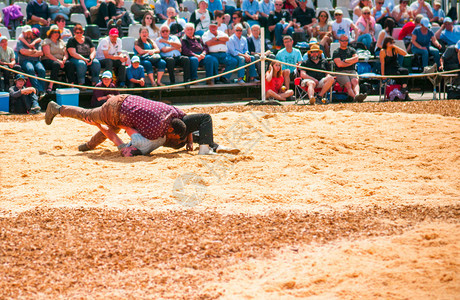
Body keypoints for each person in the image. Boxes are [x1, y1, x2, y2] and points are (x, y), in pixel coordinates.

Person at [45, 95, 186, 156]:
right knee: (86, 114)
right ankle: (57, 109)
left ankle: (89, 145)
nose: (124, 152)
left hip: (126, 99)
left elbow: (185, 116)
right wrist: (97, 124)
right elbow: (125, 129)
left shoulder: (171, 112)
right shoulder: (146, 140)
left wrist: (190, 138)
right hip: (116, 112)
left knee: (113, 126)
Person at [332, 34, 367, 102]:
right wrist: (351, 62)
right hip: (341, 72)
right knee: (348, 84)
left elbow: (356, 58)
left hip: (351, 70)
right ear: (339, 41)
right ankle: (355, 98)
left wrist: (346, 61)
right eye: (343, 41)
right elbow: (339, 65)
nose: (344, 42)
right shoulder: (336, 52)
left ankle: (357, 95)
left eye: (346, 40)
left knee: (355, 81)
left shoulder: (352, 50)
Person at [41, 24, 75, 92]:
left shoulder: (61, 42)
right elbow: (47, 54)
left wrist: (64, 60)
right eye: (55, 32)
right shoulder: (46, 41)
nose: (57, 33)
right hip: (48, 60)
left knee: (70, 64)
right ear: (51, 33)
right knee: (56, 64)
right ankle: (50, 85)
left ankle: (72, 85)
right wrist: (59, 61)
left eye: (58, 32)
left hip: (61, 60)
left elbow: (65, 53)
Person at [379, 36, 412, 101]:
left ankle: (404, 88)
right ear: (387, 43)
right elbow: (382, 63)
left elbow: (404, 53)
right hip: (388, 69)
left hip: (396, 67)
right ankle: (404, 93)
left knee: (405, 71)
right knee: (399, 75)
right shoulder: (383, 51)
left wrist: (395, 47)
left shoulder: (394, 50)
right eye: (391, 42)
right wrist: (383, 75)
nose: (393, 43)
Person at [17, 26, 46, 95]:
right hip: (25, 61)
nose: (29, 34)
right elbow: (23, 52)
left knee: (42, 70)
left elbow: (41, 53)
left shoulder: (36, 41)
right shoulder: (20, 42)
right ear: (23, 33)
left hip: (36, 61)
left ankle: (40, 90)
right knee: (30, 69)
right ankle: (40, 90)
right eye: (27, 33)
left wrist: (28, 52)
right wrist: (33, 52)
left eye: (30, 32)